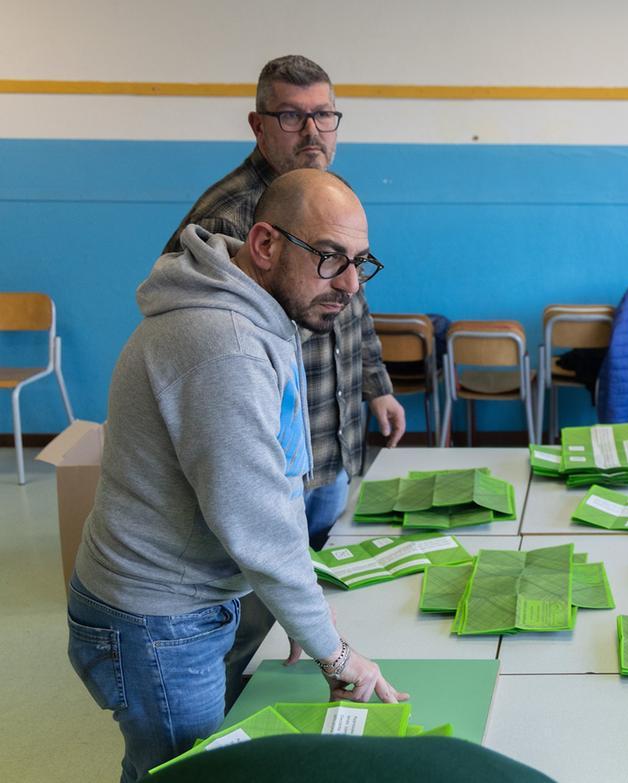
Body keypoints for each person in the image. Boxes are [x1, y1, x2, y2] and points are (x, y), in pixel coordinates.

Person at [69, 169, 407, 783]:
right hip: (156, 617)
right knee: (182, 775)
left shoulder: (255, 311)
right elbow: (255, 518)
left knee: (173, 769)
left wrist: (303, 614)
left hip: (178, 600)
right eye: (330, 257)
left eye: (360, 262)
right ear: (265, 244)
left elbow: (276, 481)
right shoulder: (225, 345)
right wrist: (337, 654)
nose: (350, 284)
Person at [163, 54, 404, 549]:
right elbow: (197, 357)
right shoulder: (225, 221)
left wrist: (377, 386)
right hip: (271, 467)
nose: (312, 131)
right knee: (270, 591)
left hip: (333, 446)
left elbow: (353, 300)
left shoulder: (332, 197)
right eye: (292, 116)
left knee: (322, 575)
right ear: (259, 126)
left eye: (324, 115)